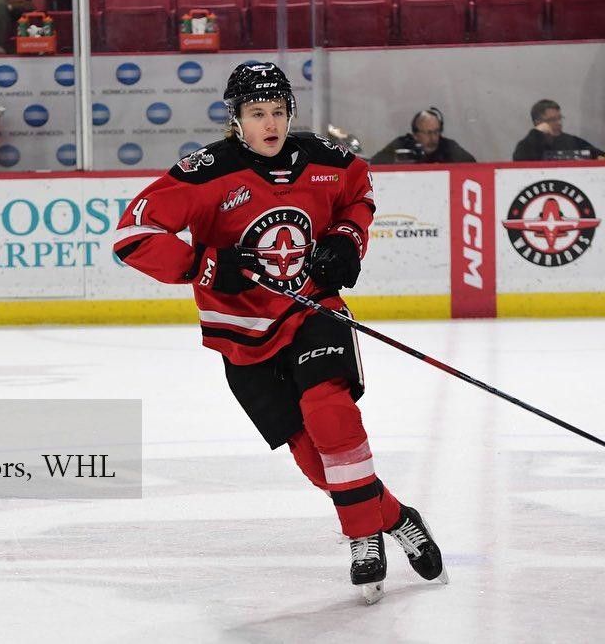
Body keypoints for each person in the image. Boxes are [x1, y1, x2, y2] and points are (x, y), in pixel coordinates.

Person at [112, 62, 448, 603]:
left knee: (330, 413)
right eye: (256, 113)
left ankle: (363, 536)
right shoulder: (206, 172)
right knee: (317, 463)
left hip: (312, 310)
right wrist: (204, 265)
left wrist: (346, 239)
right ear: (236, 119)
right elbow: (133, 233)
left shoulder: (324, 160)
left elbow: (360, 192)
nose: (269, 124)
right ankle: (397, 518)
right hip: (241, 334)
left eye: (277, 111)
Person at [369, 107, 476, 164]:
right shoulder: (401, 145)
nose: (433, 138)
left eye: (436, 132)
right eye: (428, 133)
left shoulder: (449, 146)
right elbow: (374, 165)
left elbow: (472, 166)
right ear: (415, 135)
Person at [513, 99, 605, 161]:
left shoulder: (572, 141)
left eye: (559, 118)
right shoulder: (527, 145)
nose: (558, 123)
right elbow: (520, 161)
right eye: (552, 120)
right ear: (538, 122)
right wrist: (536, 133)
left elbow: (600, 155)